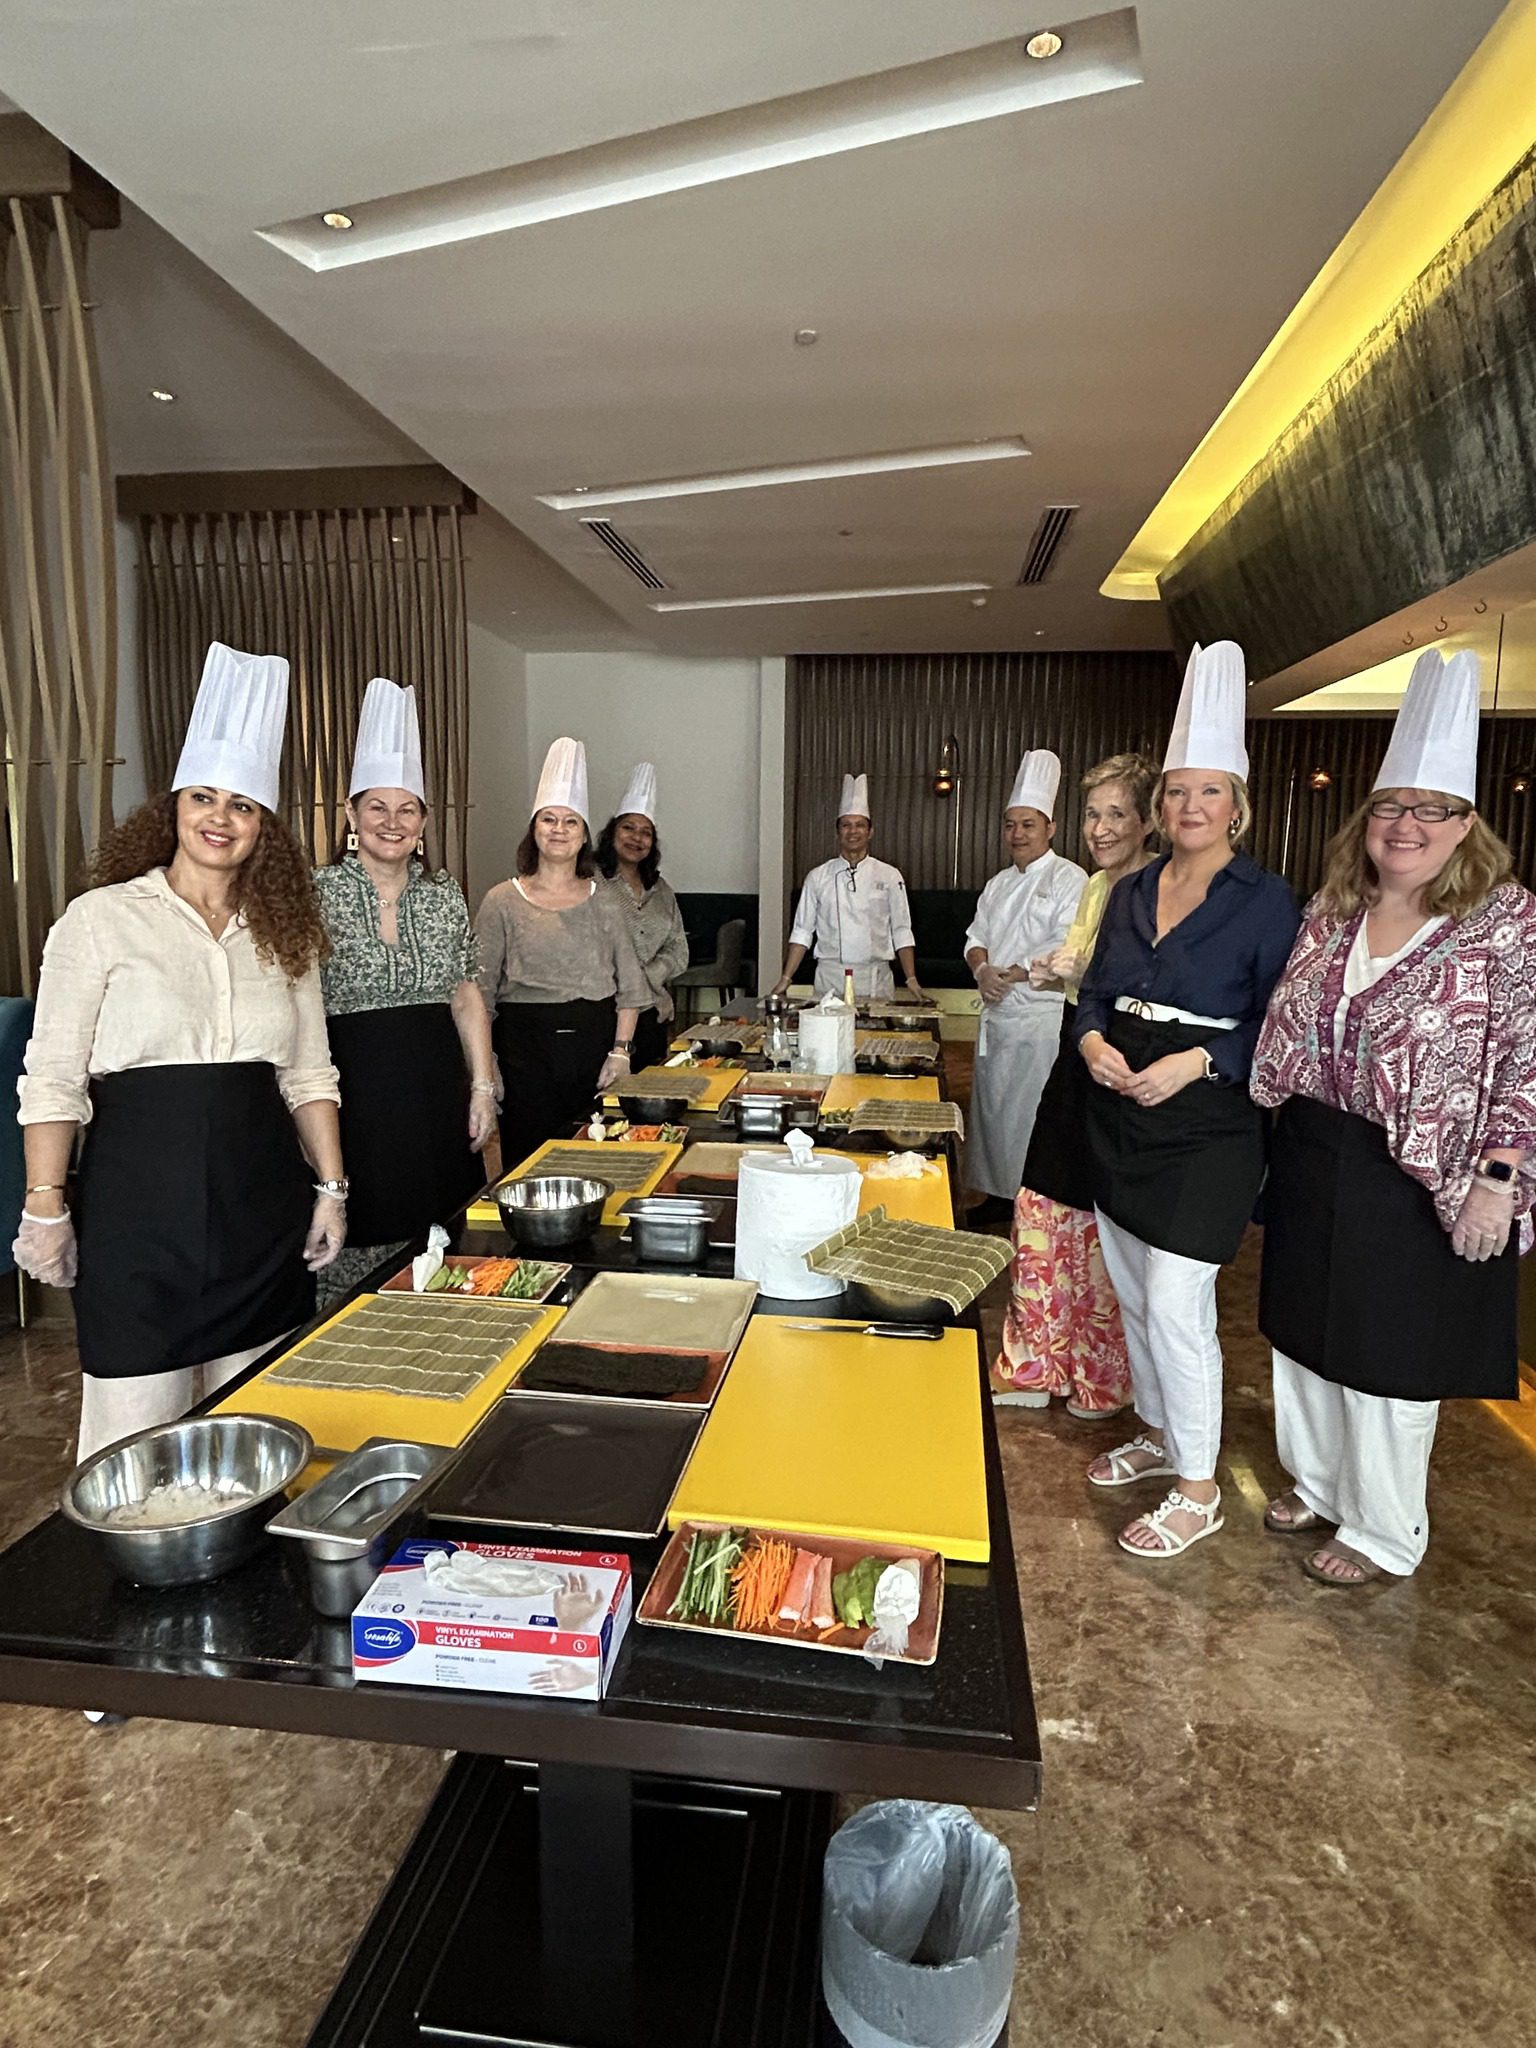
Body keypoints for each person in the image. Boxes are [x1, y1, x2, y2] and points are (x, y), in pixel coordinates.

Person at [12, 642, 346, 1463]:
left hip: (259, 1199)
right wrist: (44, 1203)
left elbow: (309, 1075)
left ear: (263, 827)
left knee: (263, 1425)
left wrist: (331, 1188)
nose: (220, 818)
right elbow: (52, 1078)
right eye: (204, 797)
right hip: (137, 1207)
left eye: (242, 805)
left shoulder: (286, 934)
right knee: (132, 1432)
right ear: (172, 807)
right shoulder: (100, 920)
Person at [1251, 648, 1536, 1585]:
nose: (1406, 825)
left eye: (1432, 809)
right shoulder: (1334, 909)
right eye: (1390, 806)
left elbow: (1523, 1058)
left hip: (1423, 1171)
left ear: (1466, 825)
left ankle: (1383, 1530)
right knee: (1303, 1332)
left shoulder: (1502, 923)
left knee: (1389, 1359)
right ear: (1366, 820)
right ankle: (1321, 1485)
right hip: (1317, 1148)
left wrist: (1500, 1181)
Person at [1074, 642, 1299, 1559]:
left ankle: (1200, 1486)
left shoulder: (1267, 899)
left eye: (1208, 792)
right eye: (1176, 793)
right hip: (1119, 1101)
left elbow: (1283, 1022)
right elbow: (1094, 993)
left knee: (1175, 1300)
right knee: (1132, 1291)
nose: (1188, 808)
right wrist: (1092, 1041)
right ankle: (1161, 1434)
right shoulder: (1130, 890)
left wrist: (1198, 1062)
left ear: (1237, 805)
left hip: (1208, 1120)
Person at [313, 678, 497, 1304]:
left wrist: (481, 1086)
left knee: (444, 1236)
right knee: (360, 1243)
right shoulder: (314, 894)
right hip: (351, 1097)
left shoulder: (444, 895)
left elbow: (466, 993)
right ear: (351, 815)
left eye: (407, 810)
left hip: (436, 1092)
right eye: (377, 808)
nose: (392, 823)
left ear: (423, 820)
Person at [992, 752, 1158, 1411]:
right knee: (1041, 1202)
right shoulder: (1096, 885)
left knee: (1102, 1224)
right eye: (1094, 814)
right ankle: (1034, 1362)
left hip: (1124, 1060)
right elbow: (1081, 964)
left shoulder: (1159, 888)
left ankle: (1100, 1376)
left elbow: (1133, 974)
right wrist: (1060, 966)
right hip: (1075, 1049)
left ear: (1149, 820)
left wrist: (1070, 965)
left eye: (1117, 813)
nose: (1102, 827)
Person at [476, 737, 649, 1165]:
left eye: (570, 822)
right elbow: (479, 993)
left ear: (585, 835)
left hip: (592, 1046)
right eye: (549, 819)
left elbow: (630, 986)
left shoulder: (606, 900)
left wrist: (620, 1052)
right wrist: (487, 1064)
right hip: (522, 1049)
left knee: (594, 1156)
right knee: (528, 1159)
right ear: (533, 829)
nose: (558, 829)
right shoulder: (501, 899)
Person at [963, 751, 1087, 1224]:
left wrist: (1007, 974)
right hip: (997, 1015)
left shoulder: (1068, 878)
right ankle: (995, 1195)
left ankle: (1029, 1202)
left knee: (1030, 1115)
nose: (1017, 834)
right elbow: (976, 939)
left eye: (1028, 824)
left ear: (1050, 828)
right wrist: (981, 971)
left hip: (1039, 1019)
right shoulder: (996, 884)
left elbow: (1064, 948)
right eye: (1010, 824)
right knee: (992, 1111)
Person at [771, 774, 925, 1001]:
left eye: (860, 825)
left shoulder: (890, 876)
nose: (853, 831)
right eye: (846, 825)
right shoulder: (817, 877)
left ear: (870, 832)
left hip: (875, 977)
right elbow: (802, 931)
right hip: (830, 976)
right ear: (838, 832)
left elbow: (901, 930)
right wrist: (785, 979)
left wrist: (911, 980)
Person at [595, 762, 690, 1072]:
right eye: (628, 828)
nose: (637, 838)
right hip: (603, 1013)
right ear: (612, 833)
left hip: (653, 1011)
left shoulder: (662, 890)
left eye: (645, 832)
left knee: (645, 1095)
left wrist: (649, 975)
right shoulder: (590, 882)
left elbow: (678, 948)